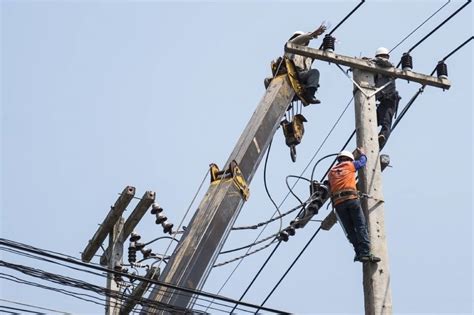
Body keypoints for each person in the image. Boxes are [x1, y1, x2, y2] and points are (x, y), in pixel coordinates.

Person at [328, 148, 381, 263]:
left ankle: (358, 253)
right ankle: (365, 253)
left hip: (338, 204)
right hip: (351, 200)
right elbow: (362, 161)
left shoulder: (331, 172)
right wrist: (362, 153)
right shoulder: (350, 165)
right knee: (361, 226)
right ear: (349, 159)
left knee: (350, 231)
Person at [286, 25, 327, 104]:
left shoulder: (307, 55)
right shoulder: (290, 47)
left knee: (314, 73)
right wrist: (313, 34)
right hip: (292, 73)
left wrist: (328, 44)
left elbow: (318, 53)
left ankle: (309, 95)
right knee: (314, 72)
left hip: (302, 77)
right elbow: (298, 40)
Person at [373, 47, 401, 149]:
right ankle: (372, 137)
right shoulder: (375, 69)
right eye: (381, 56)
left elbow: (385, 63)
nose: (383, 58)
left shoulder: (389, 67)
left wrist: (371, 60)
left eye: (384, 56)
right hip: (382, 101)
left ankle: (382, 138)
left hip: (390, 100)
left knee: (386, 122)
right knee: (372, 119)